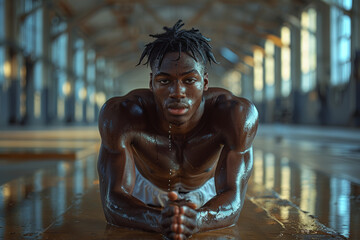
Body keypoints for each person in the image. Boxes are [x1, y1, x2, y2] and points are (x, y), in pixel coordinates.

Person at [97, 20, 258, 240]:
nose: (177, 92)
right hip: (144, 190)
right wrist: (157, 219)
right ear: (152, 82)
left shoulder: (235, 115)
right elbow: (113, 201)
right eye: (165, 81)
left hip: (208, 193)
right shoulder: (121, 115)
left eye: (190, 80)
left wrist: (198, 220)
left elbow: (233, 197)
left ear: (205, 82)